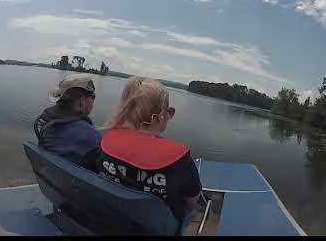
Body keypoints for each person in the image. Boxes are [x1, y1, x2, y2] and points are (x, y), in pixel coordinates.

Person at [95, 76, 202, 221]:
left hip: (112, 218)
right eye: (169, 111)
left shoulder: (104, 144)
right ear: (159, 117)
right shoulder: (181, 161)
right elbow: (192, 200)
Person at [34, 73, 102, 169]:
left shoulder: (46, 122)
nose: (93, 101)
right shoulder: (90, 135)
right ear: (81, 102)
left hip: (53, 177)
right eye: (93, 97)